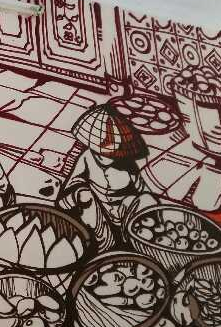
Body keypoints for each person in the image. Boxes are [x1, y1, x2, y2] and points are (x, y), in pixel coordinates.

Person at [57, 103, 157, 251]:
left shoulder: (127, 164)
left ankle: (132, 243)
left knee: (145, 200)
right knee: (85, 197)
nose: (103, 155)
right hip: (97, 212)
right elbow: (72, 184)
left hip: (124, 213)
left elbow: (143, 190)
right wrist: (79, 192)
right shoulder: (87, 157)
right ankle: (104, 244)